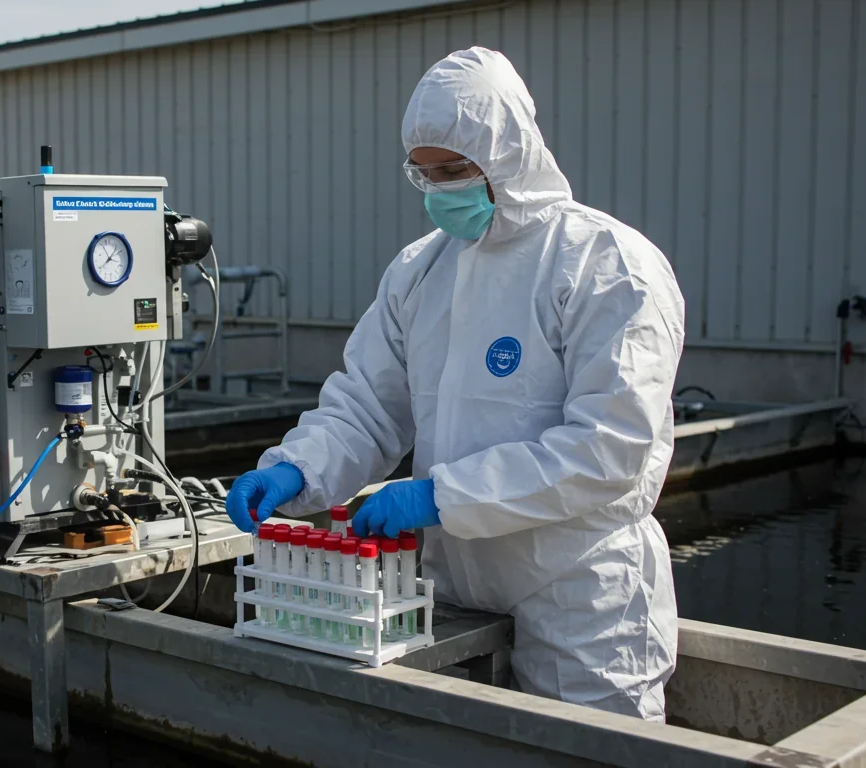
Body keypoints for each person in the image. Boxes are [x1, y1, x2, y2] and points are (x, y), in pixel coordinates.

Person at [224, 47, 685, 722]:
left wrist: (442, 495)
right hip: (450, 579)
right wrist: (298, 469)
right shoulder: (420, 271)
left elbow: (608, 451)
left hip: (577, 583)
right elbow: (369, 405)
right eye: (426, 174)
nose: (440, 191)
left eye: (455, 170)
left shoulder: (605, 265)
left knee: (595, 749)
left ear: (508, 154)